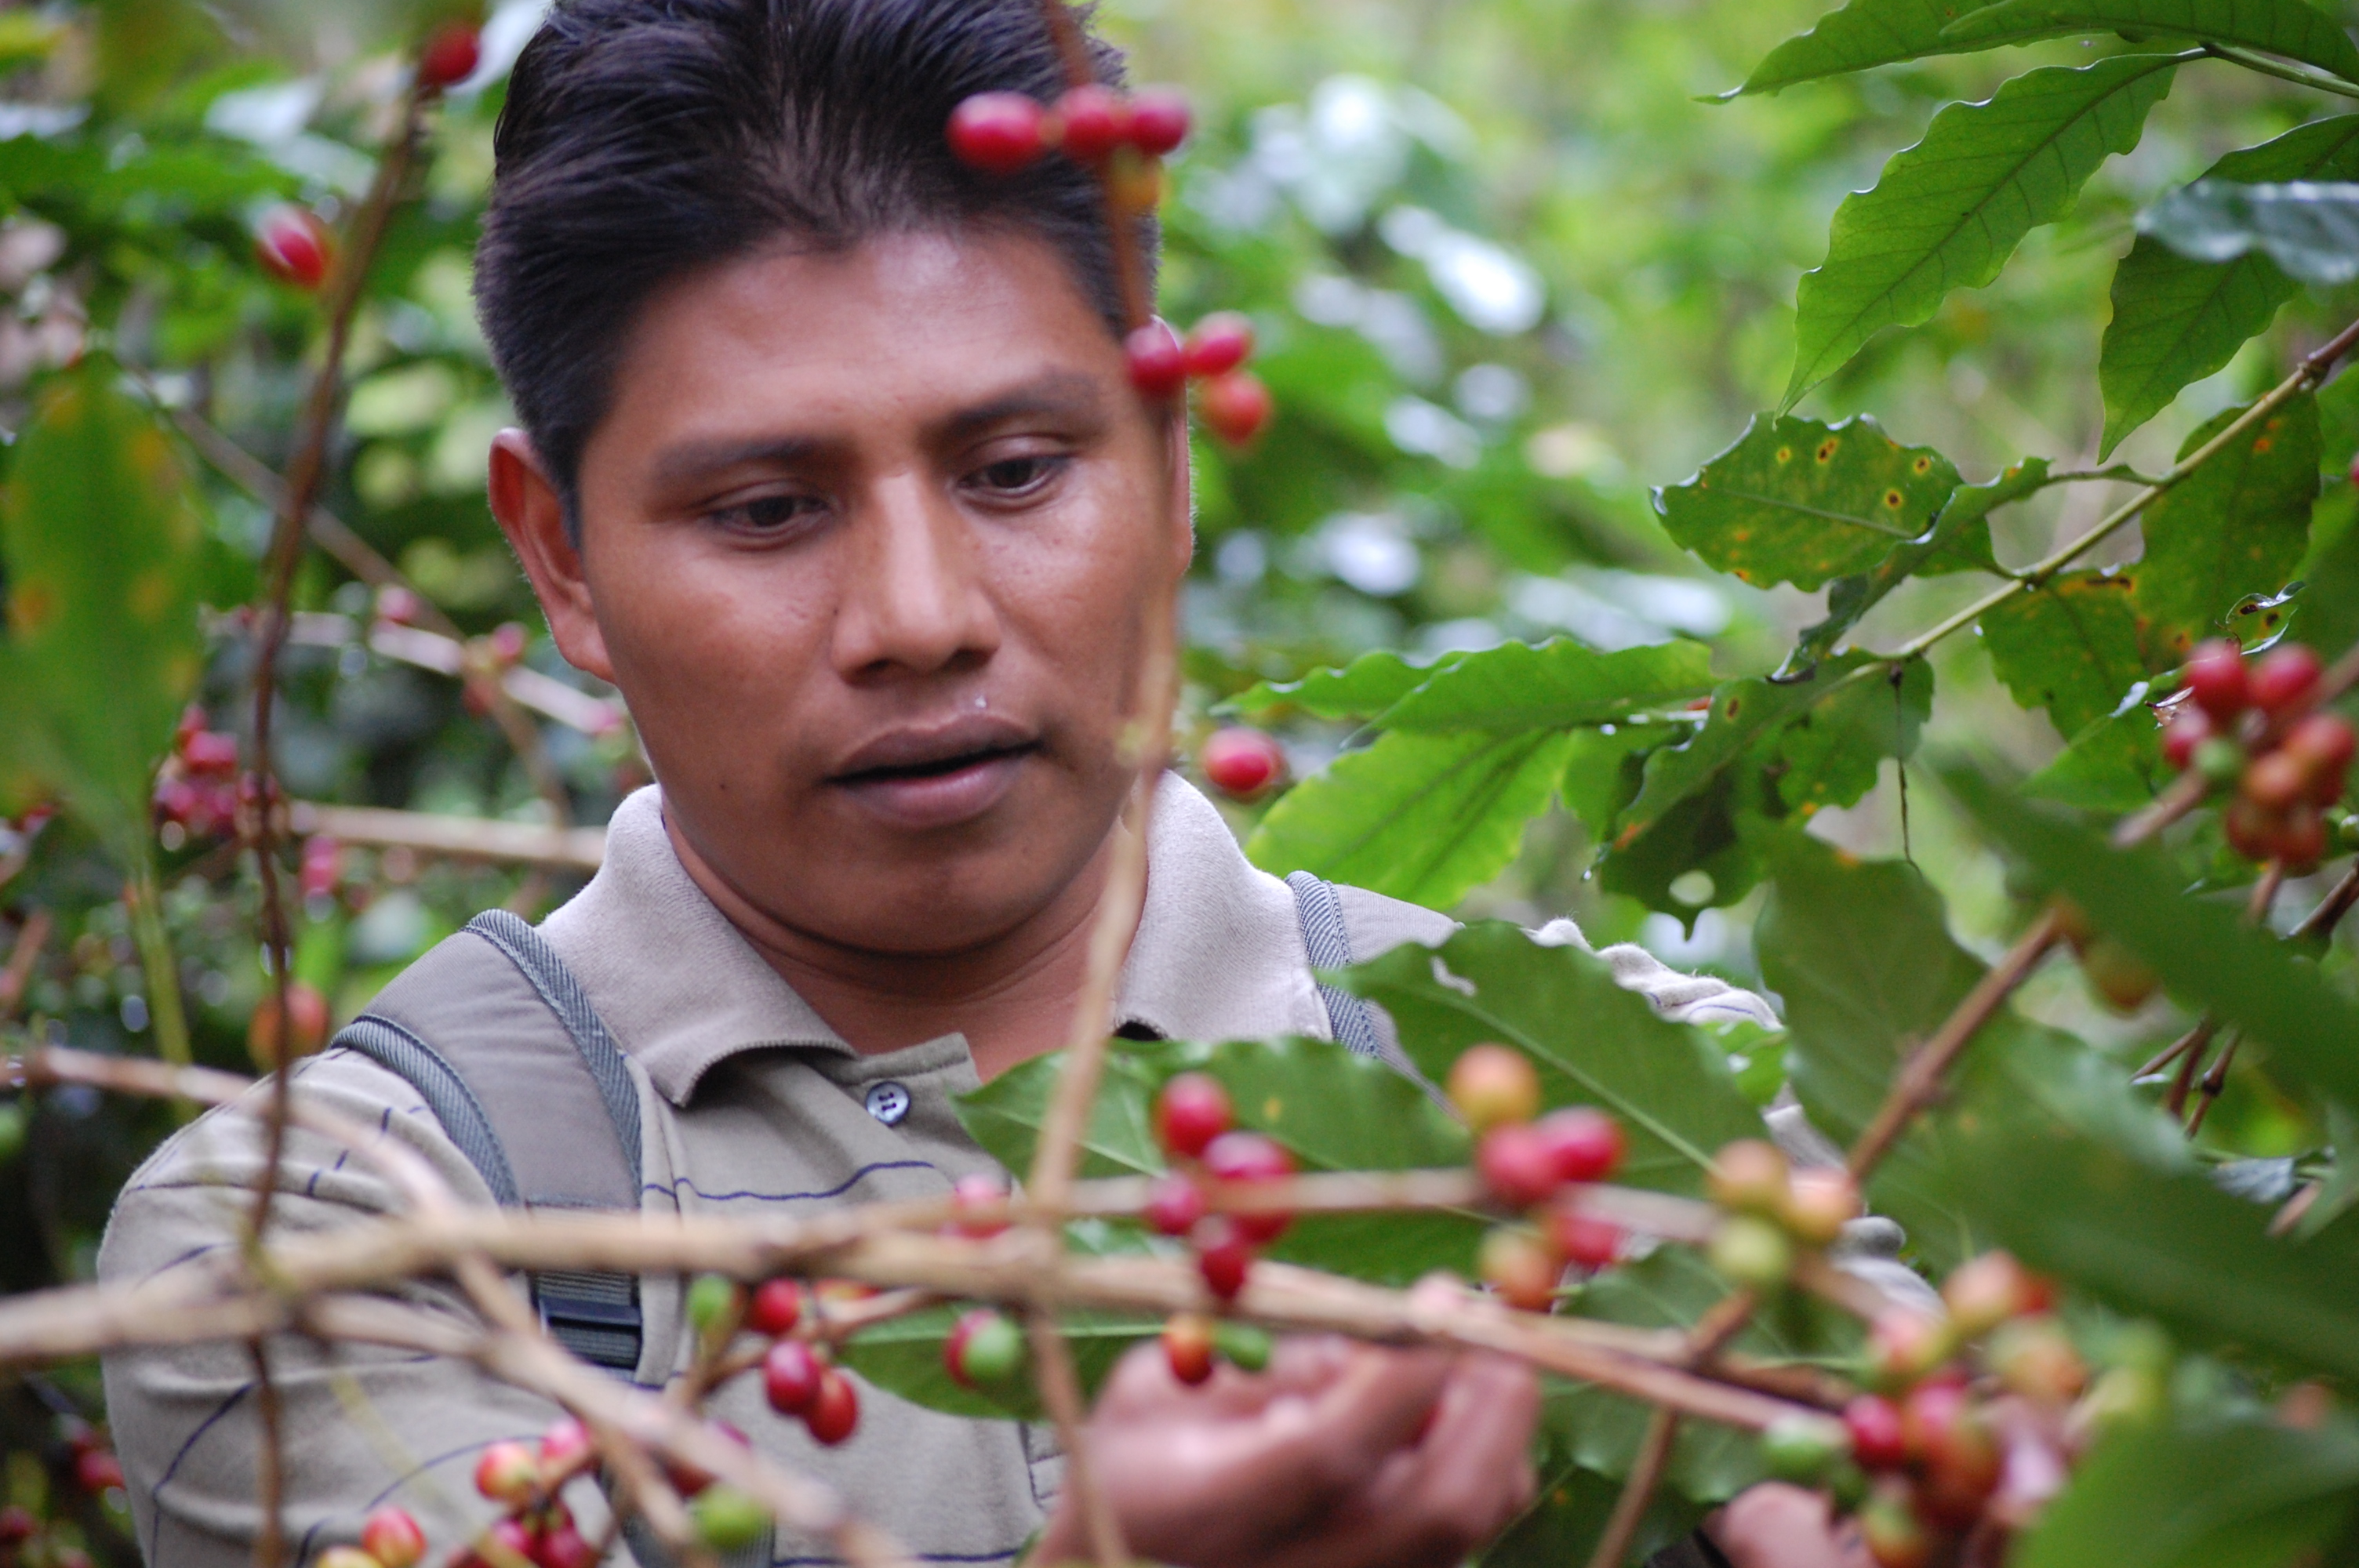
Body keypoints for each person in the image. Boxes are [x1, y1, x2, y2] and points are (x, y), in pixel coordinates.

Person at [97, 3, 1877, 1566]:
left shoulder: (1657, 1120)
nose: (920, 620)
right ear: (559, 557)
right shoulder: (323, 1244)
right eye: (766, 511)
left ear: (1171, 463)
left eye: (1017, 470)